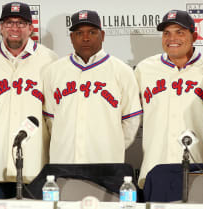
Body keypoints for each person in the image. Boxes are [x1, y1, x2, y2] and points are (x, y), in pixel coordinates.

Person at [0, 2, 58, 199]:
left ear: (31, 28)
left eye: (21, 23)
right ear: (1, 27)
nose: (14, 28)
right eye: (9, 22)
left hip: (36, 166)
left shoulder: (50, 60)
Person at [135, 10, 203, 187]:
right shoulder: (144, 69)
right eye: (166, 33)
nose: (172, 38)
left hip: (202, 169)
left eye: (179, 32)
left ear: (195, 36)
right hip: (155, 168)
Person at [43, 10, 142, 164]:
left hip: (106, 163)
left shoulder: (122, 71)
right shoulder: (53, 71)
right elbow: (51, 120)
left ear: (102, 35)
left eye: (92, 32)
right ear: (71, 37)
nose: (86, 38)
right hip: (64, 161)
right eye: (79, 33)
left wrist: (111, 147)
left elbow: (131, 120)